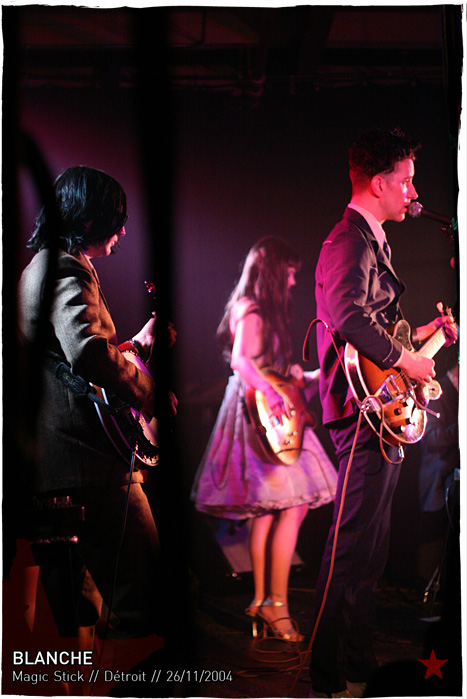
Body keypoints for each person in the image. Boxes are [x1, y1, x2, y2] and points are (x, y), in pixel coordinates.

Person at [308, 128, 457, 697]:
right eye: (406, 181)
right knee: (350, 545)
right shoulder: (348, 240)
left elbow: (376, 328)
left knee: (370, 549)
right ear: (378, 183)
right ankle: (324, 676)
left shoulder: (371, 241)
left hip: (377, 407)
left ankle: (356, 664)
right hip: (358, 408)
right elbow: (346, 315)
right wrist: (405, 360)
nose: (413, 192)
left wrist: (423, 337)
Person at [16, 166, 176, 650]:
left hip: (59, 463)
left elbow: (69, 360)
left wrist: (137, 344)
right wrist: (149, 395)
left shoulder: (41, 266)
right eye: (115, 219)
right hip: (88, 464)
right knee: (146, 602)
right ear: (87, 219)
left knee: (77, 617)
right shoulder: (65, 267)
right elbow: (86, 351)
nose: (122, 231)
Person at [191, 236, 338, 642]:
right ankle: (276, 604)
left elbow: (263, 368)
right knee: (294, 504)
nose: (293, 282)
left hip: (258, 410)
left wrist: (304, 377)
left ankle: (261, 599)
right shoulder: (252, 310)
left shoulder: (250, 308)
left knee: (267, 509)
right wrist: (273, 392)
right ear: (273, 272)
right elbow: (242, 362)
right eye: (289, 274)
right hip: (258, 414)